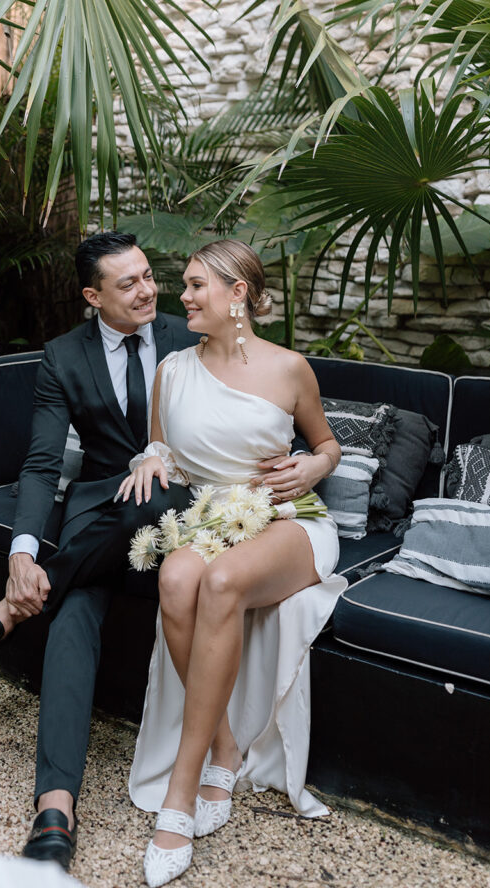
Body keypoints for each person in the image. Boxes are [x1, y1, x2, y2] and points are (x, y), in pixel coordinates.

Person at [0, 232, 199, 872]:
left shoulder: (190, 334)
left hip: (177, 501)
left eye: (147, 274)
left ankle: (7, 613)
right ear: (92, 296)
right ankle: (55, 806)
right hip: (99, 515)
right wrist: (21, 553)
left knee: (155, 494)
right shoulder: (62, 356)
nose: (147, 289)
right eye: (128, 283)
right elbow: (42, 461)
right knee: (74, 612)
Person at [117, 240, 347, 888]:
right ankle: (222, 744)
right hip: (211, 517)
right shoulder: (172, 369)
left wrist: (313, 464)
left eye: (195, 286)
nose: (182, 297)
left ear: (236, 293)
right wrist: (152, 461)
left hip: (287, 521)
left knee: (216, 582)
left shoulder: (288, 368)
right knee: (175, 577)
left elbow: (326, 444)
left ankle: (183, 792)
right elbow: (157, 448)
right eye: (184, 286)